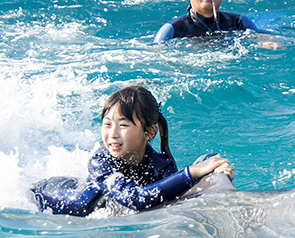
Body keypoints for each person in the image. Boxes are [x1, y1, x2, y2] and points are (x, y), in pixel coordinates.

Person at [32, 85, 233, 216]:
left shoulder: (161, 166)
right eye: (107, 124)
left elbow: (175, 199)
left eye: (124, 125)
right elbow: (136, 199)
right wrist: (193, 172)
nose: (113, 134)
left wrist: (215, 172)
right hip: (46, 198)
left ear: (149, 132)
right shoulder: (101, 161)